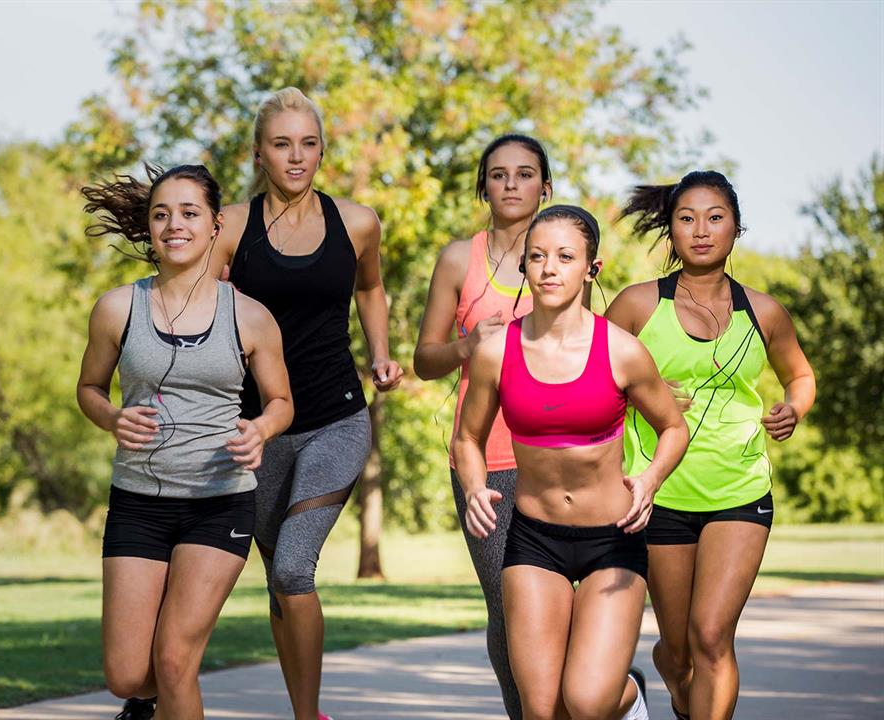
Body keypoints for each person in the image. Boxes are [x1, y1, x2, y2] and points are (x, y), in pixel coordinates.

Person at [209, 87, 403, 720]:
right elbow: (201, 315)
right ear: (259, 153)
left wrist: (379, 352)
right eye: (282, 144)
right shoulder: (230, 228)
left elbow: (371, 288)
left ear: (323, 149)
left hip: (336, 419)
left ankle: (308, 714)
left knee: (294, 566)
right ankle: (304, 710)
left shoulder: (357, 222)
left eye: (309, 144)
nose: (297, 157)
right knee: (275, 580)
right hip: (256, 427)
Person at [453, 204, 688, 720]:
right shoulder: (497, 352)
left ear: (591, 268)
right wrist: (473, 487)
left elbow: (674, 426)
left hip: (612, 537)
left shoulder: (622, 352)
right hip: (535, 537)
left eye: (565, 256)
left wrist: (650, 478)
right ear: (525, 267)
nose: (549, 267)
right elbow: (467, 438)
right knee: (541, 711)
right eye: (537, 256)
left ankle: (627, 694)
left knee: (586, 701)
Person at [77, 164, 293, 720]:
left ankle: (172, 688)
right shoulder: (117, 308)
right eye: (162, 213)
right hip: (137, 502)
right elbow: (89, 387)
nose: (175, 224)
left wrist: (261, 429)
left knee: (174, 661)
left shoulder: (249, 316)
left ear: (215, 225)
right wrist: (110, 417)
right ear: (149, 226)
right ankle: (145, 706)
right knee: (128, 674)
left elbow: (281, 403)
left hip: (219, 502)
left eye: (190, 212)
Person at [607, 171, 816, 720]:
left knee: (712, 636)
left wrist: (794, 407)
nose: (701, 230)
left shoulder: (763, 312)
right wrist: (639, 396)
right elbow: (591, 381)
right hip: (660, 495)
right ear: (671, 230)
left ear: (736, 227)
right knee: (678, 653)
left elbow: (800, 376)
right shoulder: (636, 306)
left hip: (740, 491)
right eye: (687, 218)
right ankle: (675, 689)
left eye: (715, 217)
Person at [413, 133, 554, 719]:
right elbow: (424, 359)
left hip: (556, 453)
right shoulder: (457, 259)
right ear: (484, 188)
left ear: (545, 188)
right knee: (506, 602)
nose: (512, 185)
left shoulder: (563, 252)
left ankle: (602, 693)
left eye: (525, 175)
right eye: (499, 175)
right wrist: (468, 345)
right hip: (483, 457)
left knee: (551, 602)